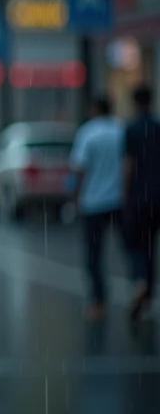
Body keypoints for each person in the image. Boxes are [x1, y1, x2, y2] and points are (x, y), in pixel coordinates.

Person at [70, 95, 127, 322]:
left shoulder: (87, 132)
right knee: (130, 247)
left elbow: (79, 168)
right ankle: (140, 283)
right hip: (120, 200)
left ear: (94, 109)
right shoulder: (121, 130)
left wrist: (74, 196)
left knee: (94, 254)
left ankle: (98, 302)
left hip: (93, 203)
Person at [124, 85, 159, 321]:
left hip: (138, 196)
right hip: (158, 196)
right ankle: (148, 294)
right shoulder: (158, 128)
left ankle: (140, 282)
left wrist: (125, 195)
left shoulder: (131, 129)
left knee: (135, 244)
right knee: (151, 245)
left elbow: (128, 165)